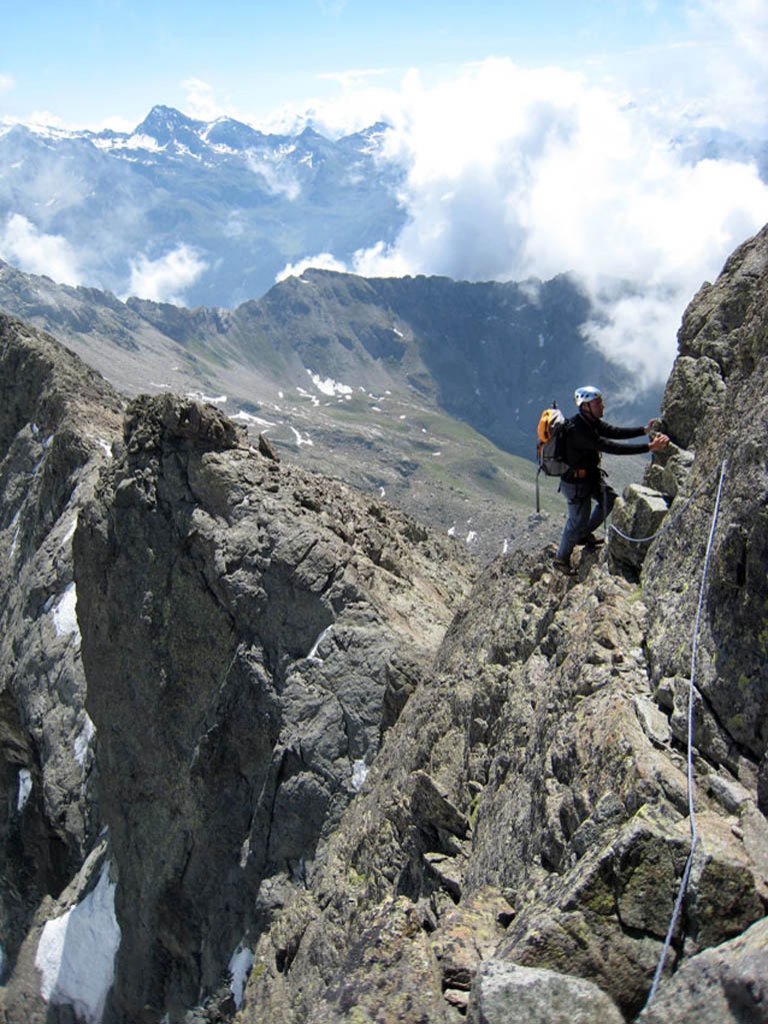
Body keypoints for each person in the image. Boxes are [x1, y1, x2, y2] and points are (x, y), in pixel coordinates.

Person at [553, 385, 669, 575]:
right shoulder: (579, 430)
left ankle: (583, 535)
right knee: (576, 522)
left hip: (588, 478)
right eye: (597, 403)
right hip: (575, 484)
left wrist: (643, 430)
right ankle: (561, 559)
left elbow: (613, 431)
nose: (602, 406)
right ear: (585, 406)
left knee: (609, 500)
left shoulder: (590, 422)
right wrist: (649, 447)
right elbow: (610, 446)